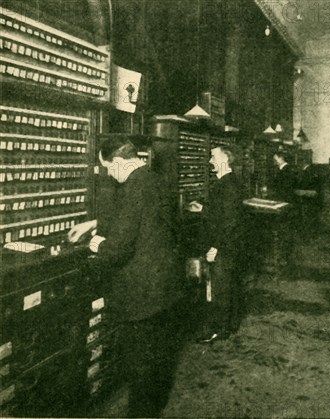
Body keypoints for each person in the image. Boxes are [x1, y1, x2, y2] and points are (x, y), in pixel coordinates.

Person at [68, 135, 185, 418]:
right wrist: (93, 223)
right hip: (163, 287)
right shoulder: (153, 179)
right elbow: (137, 218)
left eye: (108, 168)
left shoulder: (133, 188)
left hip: (141, 292)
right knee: (155, 359)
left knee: (140, 365)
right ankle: (151, 408)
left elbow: (118, 249)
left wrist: (95, 243)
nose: (109, 174)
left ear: (119, 162)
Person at [187, 145, 244, 342]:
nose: (210, 160)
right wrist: (204, 208)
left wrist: (215, 247)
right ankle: (229, 324)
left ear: (224, 160)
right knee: (225, 285)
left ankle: (219, 330)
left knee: (220, 287)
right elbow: (221, 212)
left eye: (213, 156)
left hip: (223, 246)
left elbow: (229, 221)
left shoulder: (228, 184)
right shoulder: (227, 182)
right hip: (226, 244)